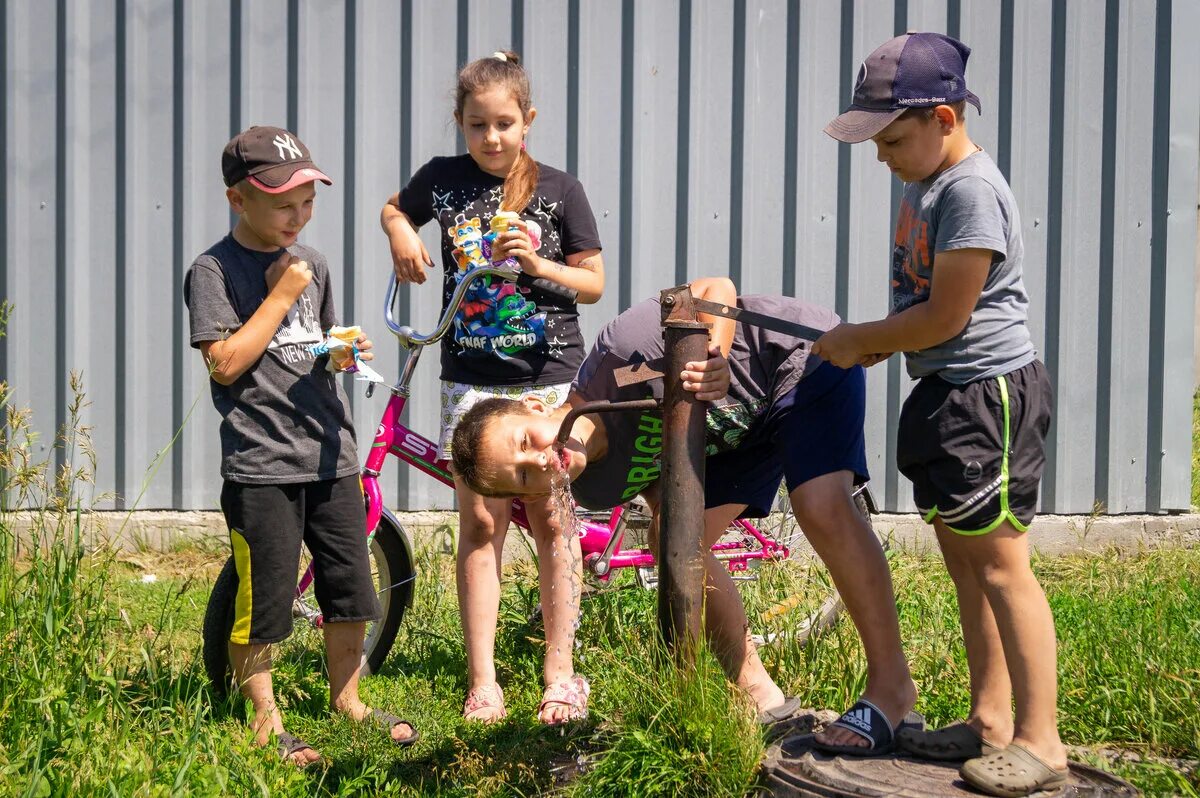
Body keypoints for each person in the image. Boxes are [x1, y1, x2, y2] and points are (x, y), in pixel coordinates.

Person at [449, 277, 918, 739]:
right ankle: (762, 698)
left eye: (526, 441)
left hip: (798, 361)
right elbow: (667, 488)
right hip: (744, 434)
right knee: (674, 539)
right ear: (532, 498)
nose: (540, 459)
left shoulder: (618, 355)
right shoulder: (593, 488)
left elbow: (717, 288)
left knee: (820, 506)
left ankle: (892, 686)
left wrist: (715, 355)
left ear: (534, 405)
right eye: (527, 477)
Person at [815, 32, 1066, 796]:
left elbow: (947, 316)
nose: (882, 154)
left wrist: (864, 341)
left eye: (892, 138)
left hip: (984, 392)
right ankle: (991, 720)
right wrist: (885, 343)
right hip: (948, 391)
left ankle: (1043, 739)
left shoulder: (968, 191)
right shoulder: (925, 181)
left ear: (945, 119)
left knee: (1000, 564)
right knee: (965, 564)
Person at [379, 51, 605, 725]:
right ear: (460, 123)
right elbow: (394, 209)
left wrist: (539, 264)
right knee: (481, 523)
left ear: (527, 121)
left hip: (548, 378)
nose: (492, 138)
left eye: (505, 123)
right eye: (477, 125)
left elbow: (592, 283)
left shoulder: (559, 190)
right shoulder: (444, 183)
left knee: (551, 519)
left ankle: (560, 673)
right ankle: (484, 681)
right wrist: (399, 233)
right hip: (471, 380)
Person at [184, 126, 418, 765]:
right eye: (283, 202)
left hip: (328, 453)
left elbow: (308, 344)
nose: (299, 215)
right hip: (262, 463)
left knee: (350, 585)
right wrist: (281, 291)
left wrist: (342, 353)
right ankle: (263, 714)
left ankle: (349, 697)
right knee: (266, 597)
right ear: (239, 200)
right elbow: (226, 363)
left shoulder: (312, 261)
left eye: (307, 201)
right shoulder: (213, 271)